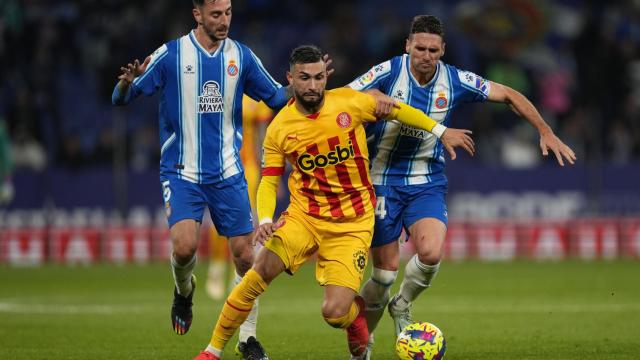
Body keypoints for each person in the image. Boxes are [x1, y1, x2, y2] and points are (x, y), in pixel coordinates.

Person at [193, 45, 474, 360]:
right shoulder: (279, 128)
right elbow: (270, 179)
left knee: (334, 313)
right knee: (259, 272)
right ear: (290, 79)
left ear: (325, 76)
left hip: (351, 224)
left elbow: (399, 109)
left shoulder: (351, 103)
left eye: (318, 77)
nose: (312, 86)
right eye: (304, 78)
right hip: (304, 217)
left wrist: (440, 130)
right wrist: (266, 219)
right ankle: (212, 351)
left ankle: (353, 315)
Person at [346, 15, 577, 358]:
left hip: (426, 181)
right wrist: (371, 97)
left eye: (433, 50)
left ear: (443, 51)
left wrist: (544, 130)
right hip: (380, 181)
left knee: (431, 253)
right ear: (408, 46)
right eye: (420, 48)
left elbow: (509, 94)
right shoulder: (388, 72)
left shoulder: (454, 80)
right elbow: (344, 97)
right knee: (382, 277)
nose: (425, 55)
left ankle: (403, 305)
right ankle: (361, 349)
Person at [111, 0, 289, 357]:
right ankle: (183, 292)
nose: (224, 21)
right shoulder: (172, 54)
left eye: (228, 13)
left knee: (245, 258)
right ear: (197, 14)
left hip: (228, 172)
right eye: (216, 15)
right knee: (185, 247)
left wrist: (306, 88)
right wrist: (124, 85)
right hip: (181, 171)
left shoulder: (242, 56)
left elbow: (275, 97)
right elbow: (123, 97)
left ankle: (246, 339)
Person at [205, 96, 273, 301]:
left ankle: (242, 273)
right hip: (221, 166)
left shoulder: (257, 100)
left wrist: (267, 171)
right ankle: (216, 269)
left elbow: (263, 137)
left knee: (246, 222)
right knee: (219, 220)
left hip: (248, 165)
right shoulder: (220, 89)